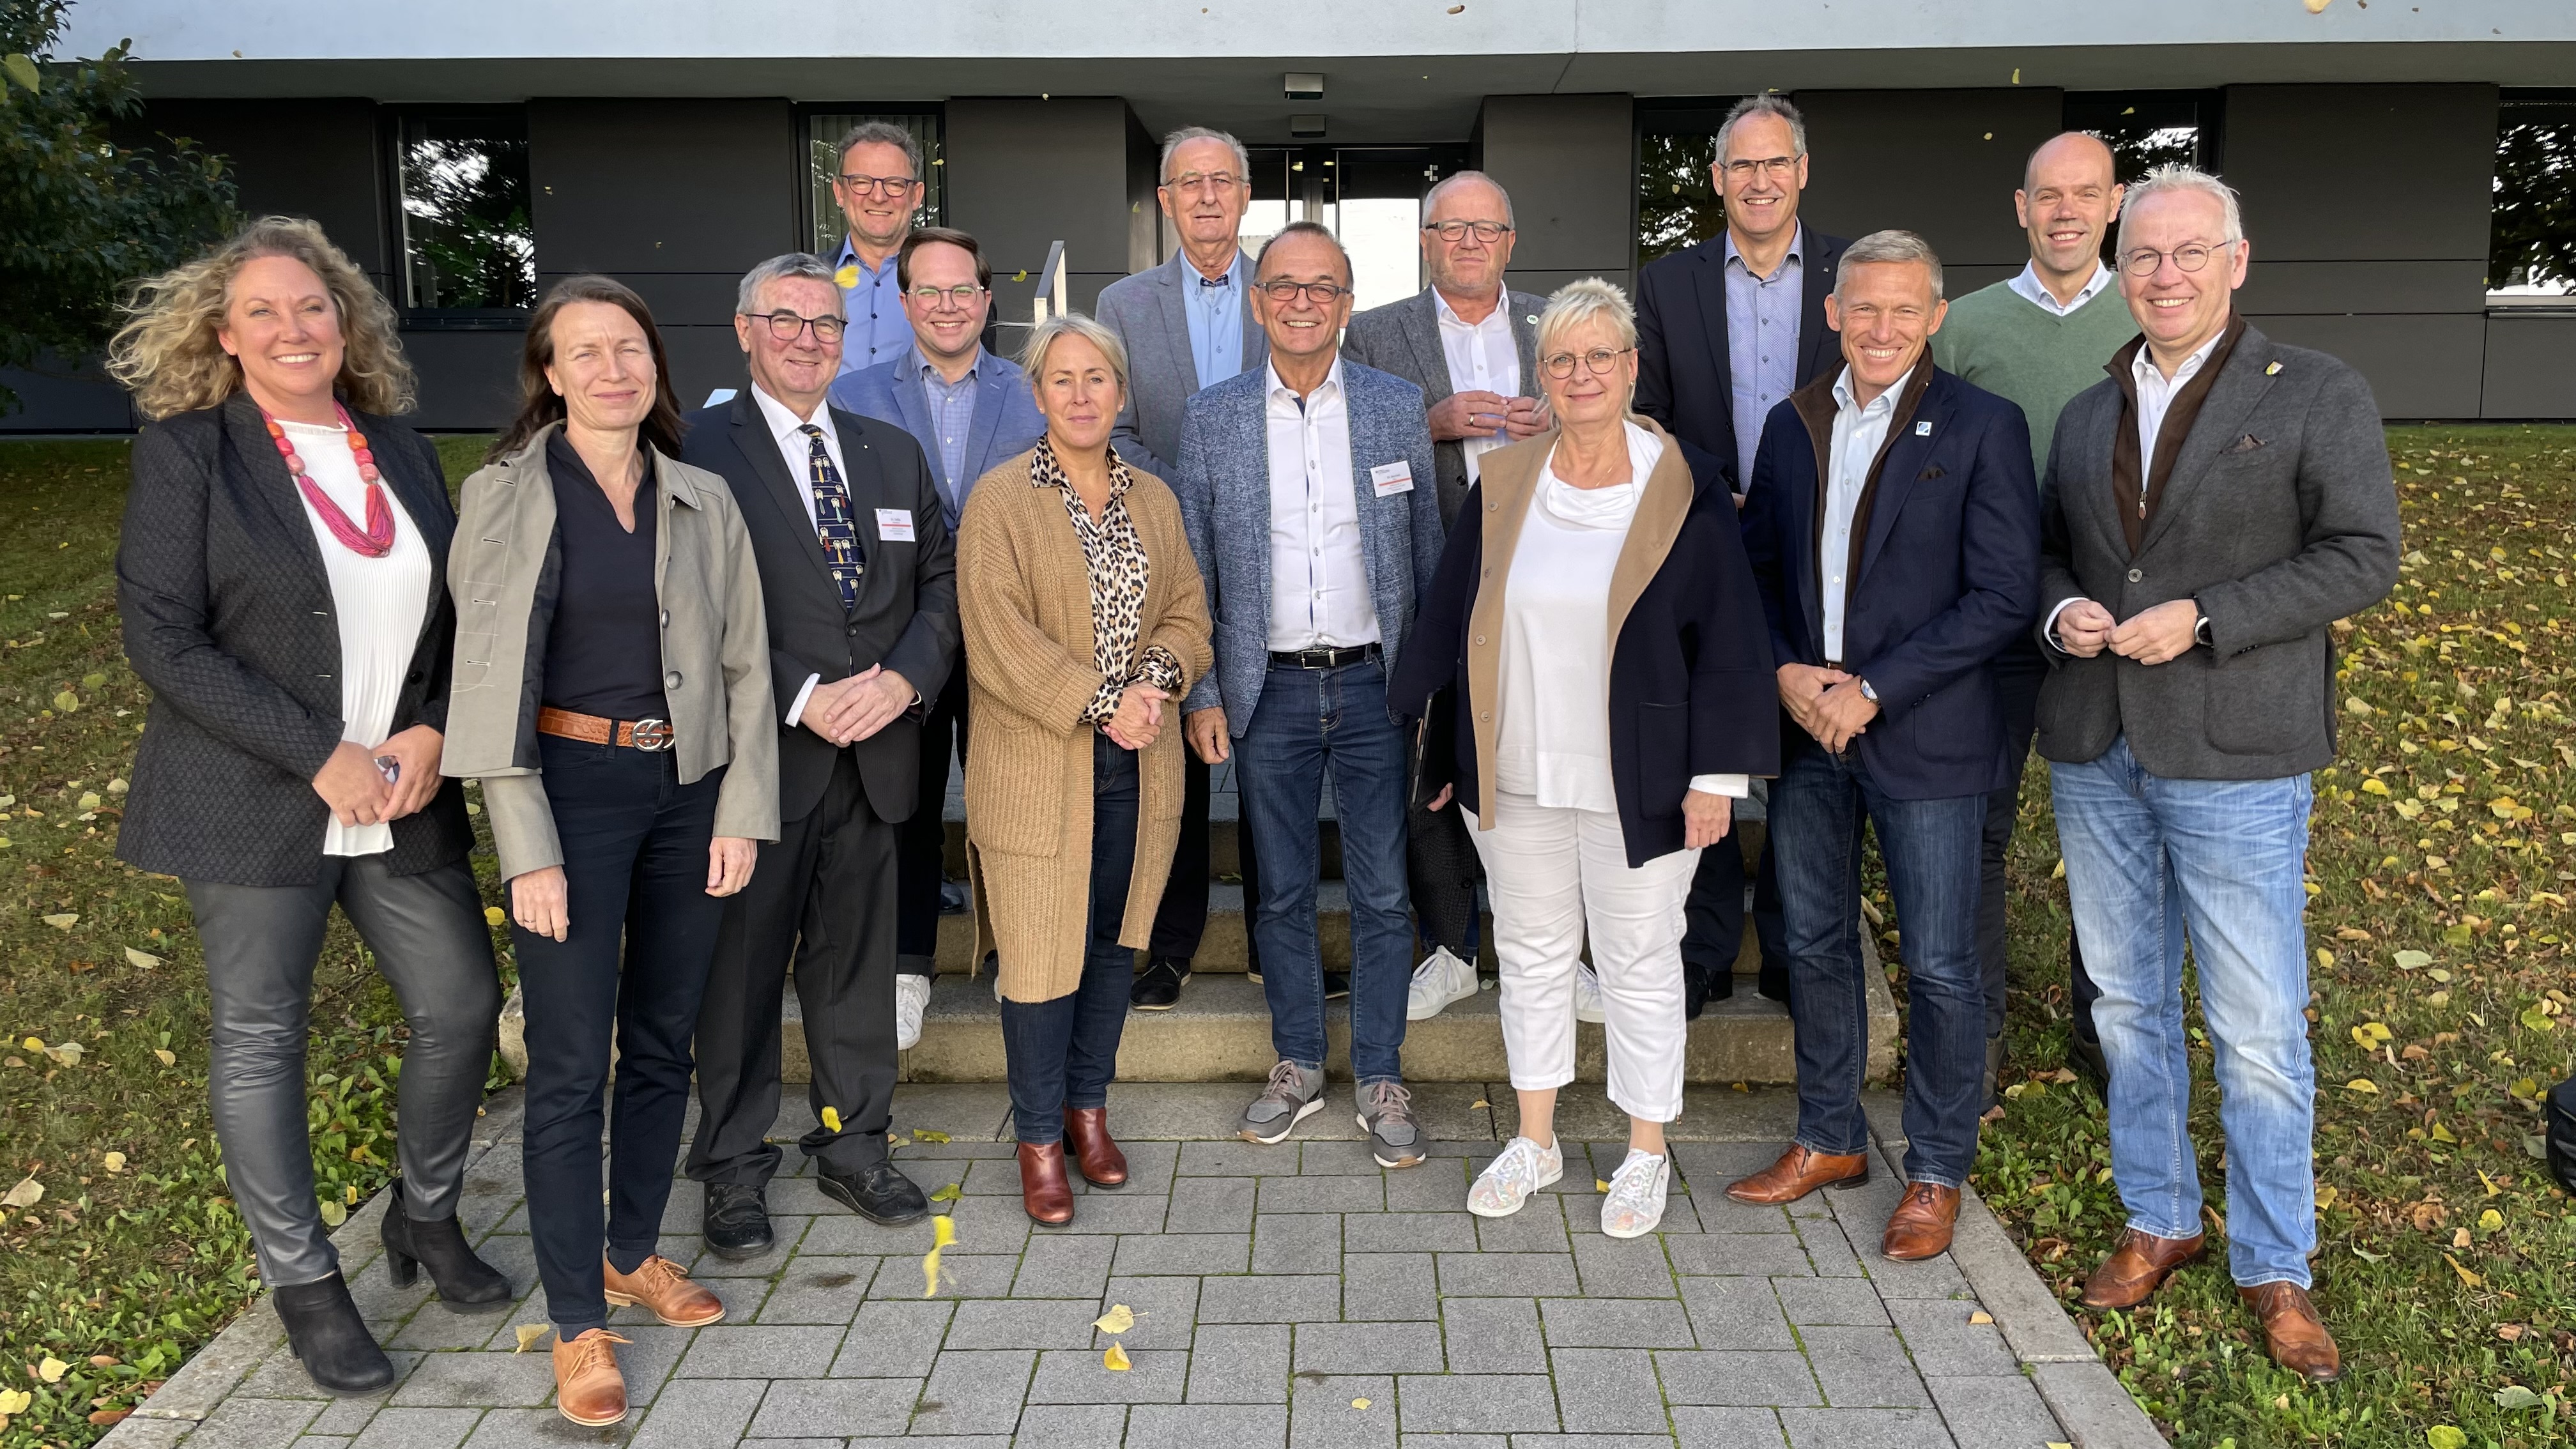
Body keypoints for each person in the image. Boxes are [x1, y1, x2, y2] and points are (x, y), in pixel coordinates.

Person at [108, 217, 506, 1393]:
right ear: (223, 336)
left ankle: (423, 1217)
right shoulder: (193, 453)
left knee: (462, 1002)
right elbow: (161, 637)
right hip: (250, 795)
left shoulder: (399, 445)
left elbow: (450, 615)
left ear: (348, 323)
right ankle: (306, 1283)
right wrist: (315, 749)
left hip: (400, 789)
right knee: (261, 1037)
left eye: (314, 307)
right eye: (265, 312)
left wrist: (433, 722)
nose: (295, 327)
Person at [2037, 165, 2399, 1382]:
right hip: (2099, 746)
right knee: (2129, 1004)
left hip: (2236, 750)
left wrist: (2205, 614)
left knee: (2251, 1027)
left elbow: (2362, 555)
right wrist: (2065, 612)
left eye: (2191, 253)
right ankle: (2160, 1216)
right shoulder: (2091, 412)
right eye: (2145, 256)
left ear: (2235, 262)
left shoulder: (2315, 392)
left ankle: (2273, 1260)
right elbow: (2045, 554)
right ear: (2118, 267)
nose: (2166, 275)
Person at [445, 275, 778, 1427]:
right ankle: (577, 1319)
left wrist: (741, 810)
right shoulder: (502, 495)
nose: (611, 369)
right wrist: (525, 846)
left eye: (628, 348)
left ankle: (632, 1251)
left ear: (655, 365)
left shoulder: (702, 496)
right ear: (548, 372)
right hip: (567, 791)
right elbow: (485, 681)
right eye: (584, 351)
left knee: (660, 1039)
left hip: (685, 789)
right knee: (572, 1061)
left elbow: (746, 667)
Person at [1392, 278, 1777, 1236]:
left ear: (1632, 368)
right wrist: (1438, 746)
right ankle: (1536, 1139)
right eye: (1562, 360)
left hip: (1643, 778)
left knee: (1643, 961)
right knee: (1529, 960)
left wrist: (1716, 779)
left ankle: (1647, 1150)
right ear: (1544, 377)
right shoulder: (1510, 480)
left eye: (1600, 355)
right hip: (1517, 773)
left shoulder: (1684, 482)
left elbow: (1731, 639)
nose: (1581, 374)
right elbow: (1453, 622)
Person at [1729, 231, 2037, 1263]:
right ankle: (1829, 1137)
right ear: (1832, 312)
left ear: (1934, 316)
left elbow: (2000, 592)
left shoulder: (1984, 426)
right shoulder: (1791, 423)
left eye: (1903, 309)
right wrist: (1783, 671)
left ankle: (1938, 1166)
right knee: (1812, 941)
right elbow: (1756, 573)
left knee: (1942, 965)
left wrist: (1874, 688)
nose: (1881, 327)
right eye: (1864, 308)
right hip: (1808, 729)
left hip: (1928, 737)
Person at [681, 254, 958, 1262]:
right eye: (786, 320)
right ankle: (731, 1166)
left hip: (879, 755)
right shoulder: (697, 448)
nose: (808, 339)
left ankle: (853, 1143)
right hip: (762, 757)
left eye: (827, 324)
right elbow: (690, 599)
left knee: (856, 970)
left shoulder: (889, 452)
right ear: (745, 328)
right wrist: (802, 691)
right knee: (744, 974)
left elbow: (940, 578)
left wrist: (902, 682)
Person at [1171, 221, 1443, 1166]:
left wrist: (1428, 692)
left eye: (1321, 287)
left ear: (1346, 301)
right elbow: (1190, 575)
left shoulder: (1394, 404)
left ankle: (1379, 1072)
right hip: (1266, 691)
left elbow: (1427, 553)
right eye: (1283, 285)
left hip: (1375, 684)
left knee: (1379, 890)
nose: (1300, 301)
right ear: (1257, 301)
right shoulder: (1211, 416)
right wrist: (1203, 691)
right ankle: (1295, 1062)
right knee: (1280, 893)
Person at [956, 312, 1211, 1225]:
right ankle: (1035, 1138)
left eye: (1096, 378)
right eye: (1061, 379)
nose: (1080, 394)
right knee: (1038, 961)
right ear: (1036, 395)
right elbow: (996, 639)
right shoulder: (1000, 501)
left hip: (1139, 773)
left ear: (1121, 392)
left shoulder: (1154, 497)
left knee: (1113, 946)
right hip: (1038, 770)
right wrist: (1104, 700)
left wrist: (1153, 684)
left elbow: (1188, 612)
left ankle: (1086, 1110)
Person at [1932, 131, 2136, 1098]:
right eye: (2046, 194)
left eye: (2084, 194)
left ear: (2114, 204)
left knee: (2119, 843)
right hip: (1997, 621)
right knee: (1981, 833)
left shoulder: (2155, 315)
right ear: (2021, 208)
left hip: (2126, 624)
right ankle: (1976, 1032)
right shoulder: (1963, 327)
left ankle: (2110, 1034)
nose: (2064, 211)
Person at [1636, 95, 1849, 1017]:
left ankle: (1799, 951)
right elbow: (1649, 410)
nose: (1758, 181)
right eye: (1740, 167)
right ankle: (1708, 948)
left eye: (1776, 165)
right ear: (1717, 179)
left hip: (1828, 539)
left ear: (1801, 172)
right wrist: (1700, 486)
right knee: (1708, 730)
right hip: (1706, 532)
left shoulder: (1853, 270)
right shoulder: (1669, 282)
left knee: (1810, 742)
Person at [1342, 170, 1549, 1021]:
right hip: (1425, 574)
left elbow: (1616, 414)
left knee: (1534, 762)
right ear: (1425, 242)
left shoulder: (1556, 323)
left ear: (1510, 240)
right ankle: (1454, 948)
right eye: (1451, 229)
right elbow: (1341, 438)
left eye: (1486, 228)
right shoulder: (1374, 333)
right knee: (1428, 757)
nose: (1469, 242)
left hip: (1537, 574)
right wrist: (1431, 421)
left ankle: (1545, 951)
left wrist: (1564, 423)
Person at [832, 227, 1045, 1017]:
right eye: (931, 290)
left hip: (1010, 634)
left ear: (987, 302)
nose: (948, 306)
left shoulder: (1032, 392)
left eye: (964, 291)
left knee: (1011, 797)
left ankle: (1018, 950)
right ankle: (907, 966)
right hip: (905, 639)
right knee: (906, 802)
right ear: (903, 299)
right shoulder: (853, 396)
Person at [1096, 125, 1268, 1010]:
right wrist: (1189, 490)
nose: (1206, 196)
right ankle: (1170, 943)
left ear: (1245, 196)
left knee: (1271, 746)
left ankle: (1278, 940)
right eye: (1187, 184)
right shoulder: (1123, 305)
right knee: (1178, 769)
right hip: (1162, 567)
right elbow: (1113, 434)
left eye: (1221, 181)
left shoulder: (1285, 292)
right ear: (1164, 202)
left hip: (1274, 557)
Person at [826, 121, 928, 376]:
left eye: (894, 184)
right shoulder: (805, 282)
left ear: (916, 195)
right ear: (839, 192)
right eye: (861, 182)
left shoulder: (958, 286)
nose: (878, 197)